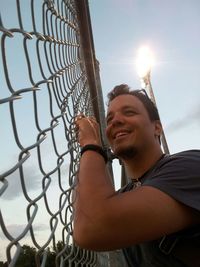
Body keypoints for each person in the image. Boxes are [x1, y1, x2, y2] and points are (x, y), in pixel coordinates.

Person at [73, 84, 200, 267]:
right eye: (109, 119)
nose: (115, 121)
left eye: (129, 112)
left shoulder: (188, 166)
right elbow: (85, 211)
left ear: (157, 128)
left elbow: (91, 228)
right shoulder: (123, 195)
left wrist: (91, 145)